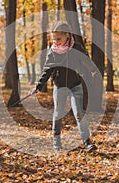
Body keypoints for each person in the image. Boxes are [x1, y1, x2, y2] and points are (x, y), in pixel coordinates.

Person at [29, 21, 97, 152]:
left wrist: (92, 70)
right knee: (58, 114)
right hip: (60, 86)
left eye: (59, 38)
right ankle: (57, 143)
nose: (56, 42)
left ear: (68, 35)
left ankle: (87, 142)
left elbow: (85, 59)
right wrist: (38, 86)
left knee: (79, 113)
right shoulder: (53, 52)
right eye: (54, 39)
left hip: (75, 85)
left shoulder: (76, 47)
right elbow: (46, 70)